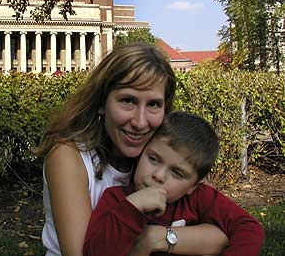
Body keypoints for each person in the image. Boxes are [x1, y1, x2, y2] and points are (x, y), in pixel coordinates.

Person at [36, 43, 229, 256]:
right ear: (102, 102)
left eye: (154, 104)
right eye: (128, 101)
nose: (139, 122)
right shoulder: (68, 156)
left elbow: (223, 233)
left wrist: (155, 237)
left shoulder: (160, 157)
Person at [83, 111, 265, 256]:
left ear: (193, 185)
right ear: (141, 153)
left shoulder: (200, 198)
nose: (159, 176)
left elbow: (249, 229)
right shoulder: (116, 200)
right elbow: (95, 252)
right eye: (153, 159)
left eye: (177, 172)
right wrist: (133, 207)